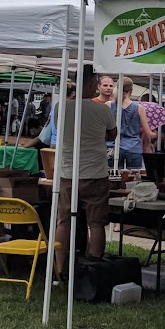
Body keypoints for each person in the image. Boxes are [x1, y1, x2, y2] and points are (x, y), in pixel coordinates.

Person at [52, 72, 117, 276]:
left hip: (67, 172)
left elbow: (59, 130)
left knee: (63, 221)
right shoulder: (102, 109)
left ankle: (60, 269)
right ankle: (94, 270)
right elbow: (112, 134)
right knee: (96, 222)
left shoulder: (59, 107)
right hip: (95, 172)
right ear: (91, 84)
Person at [112, 77, 153, 175]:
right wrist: (156, 134)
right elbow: (148, 133)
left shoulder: (109, 105)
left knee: (113, 176)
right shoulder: (139, 107)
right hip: (133, 147)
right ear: (131, 90)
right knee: (134, 177)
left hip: (114, 146)